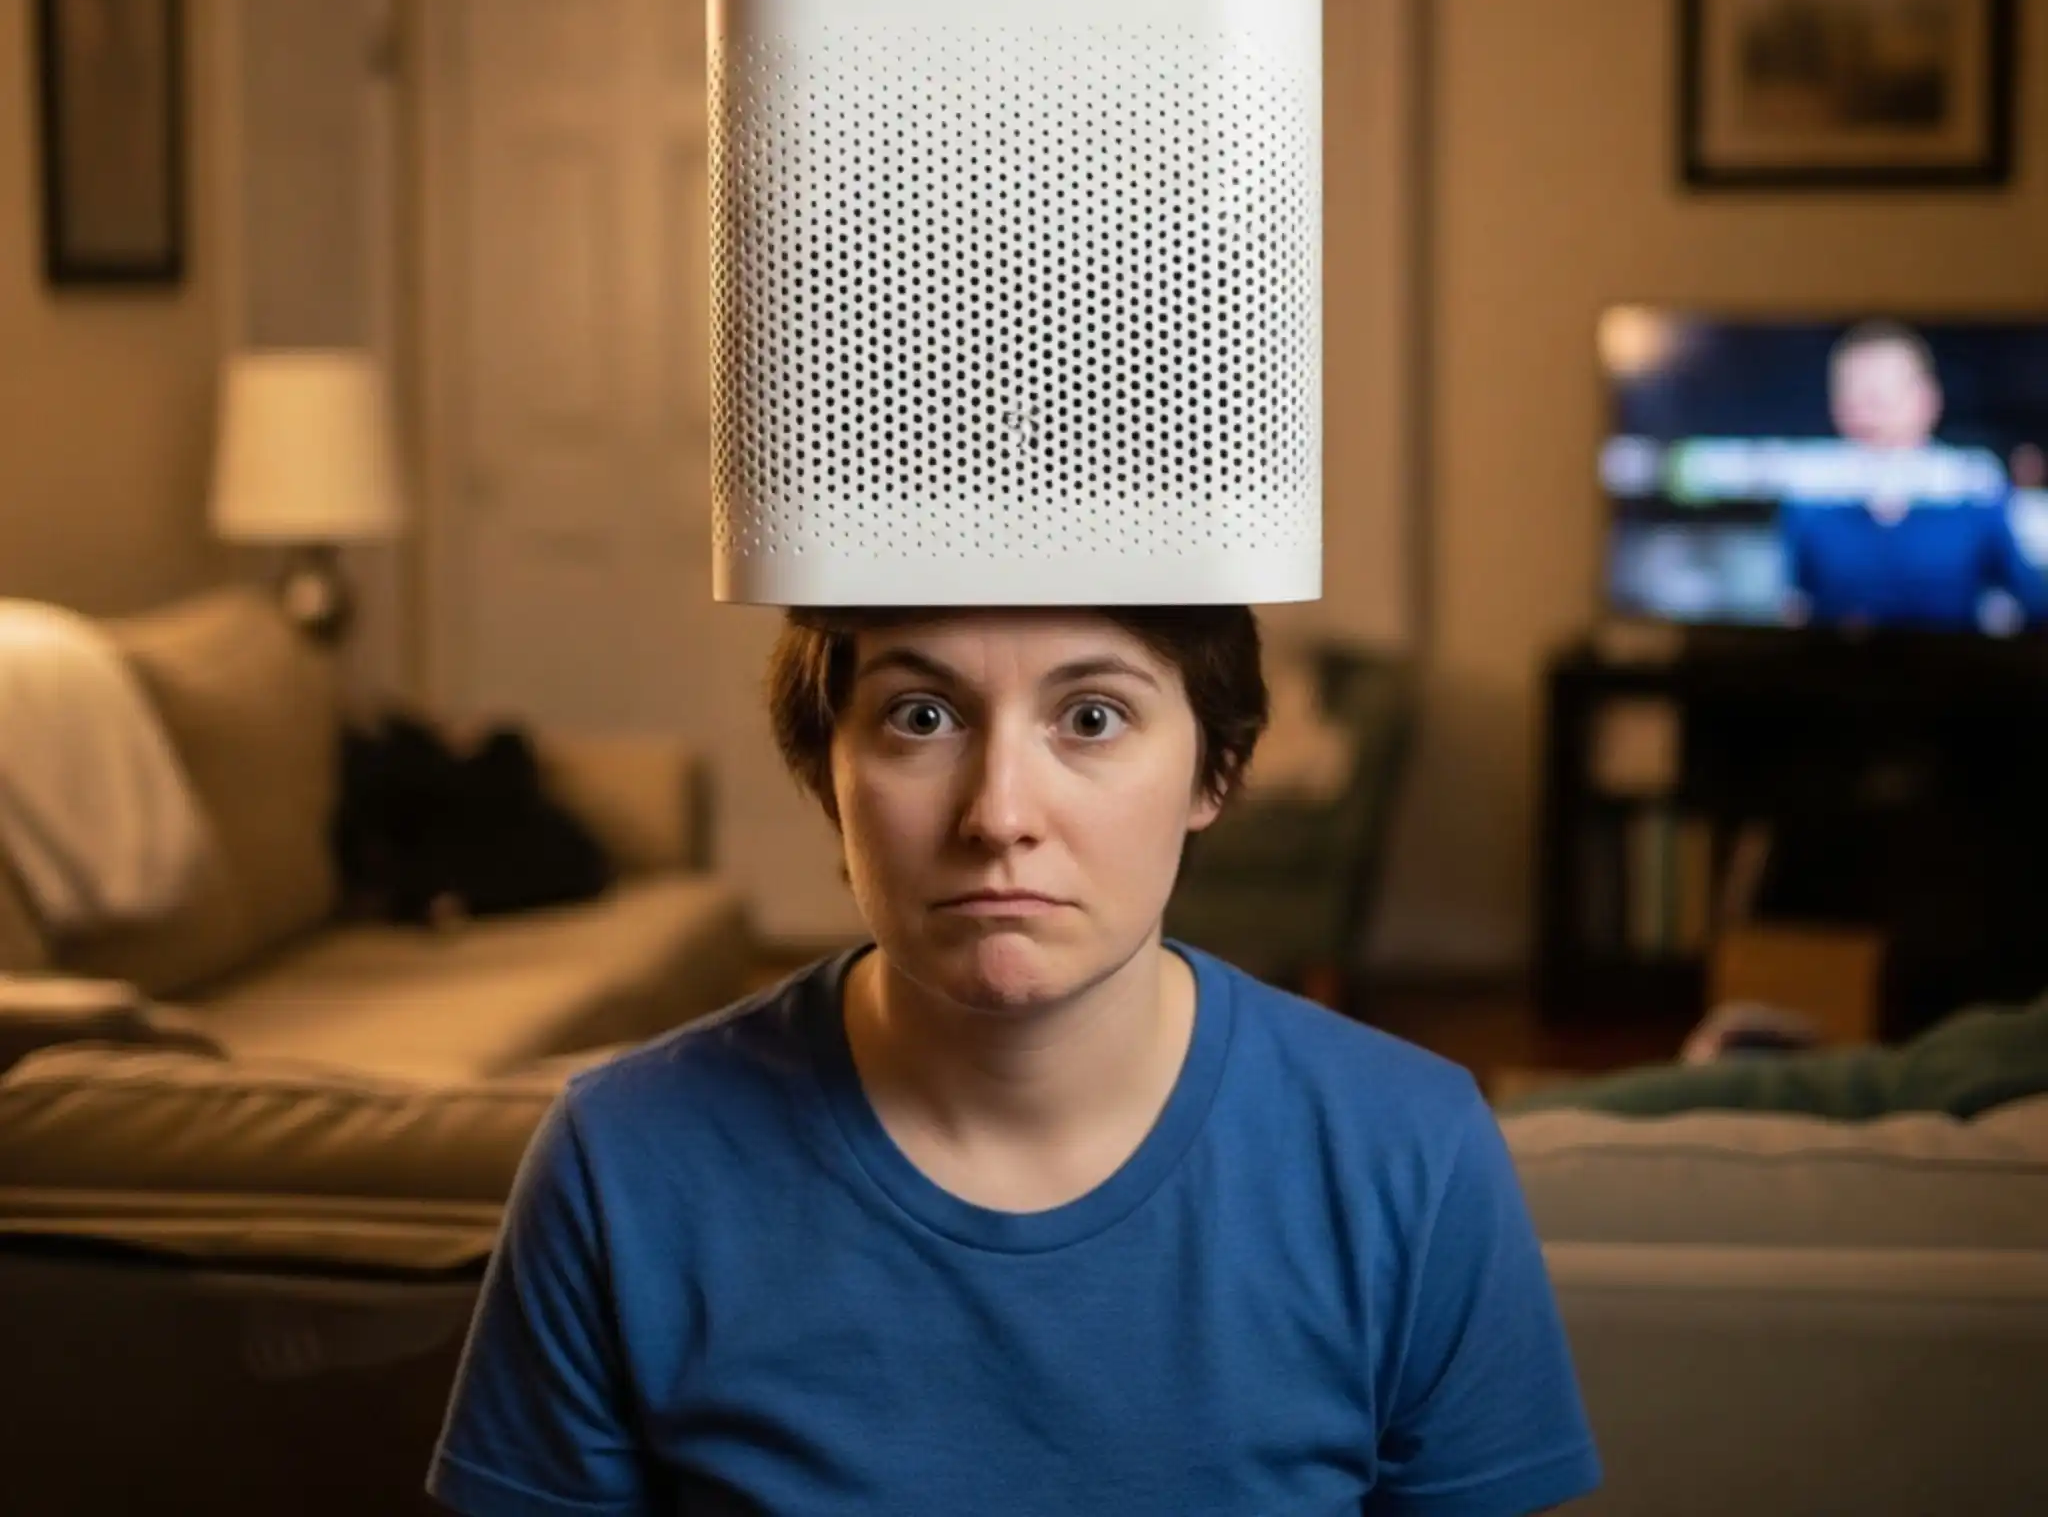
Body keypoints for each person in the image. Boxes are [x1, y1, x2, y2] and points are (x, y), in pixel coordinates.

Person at [427, 605, 1602, 1515]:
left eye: (1090, 716)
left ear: (1215, 771)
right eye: (920, 717)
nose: (997, 812)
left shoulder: (1408, 1152)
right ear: (822, 770)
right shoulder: (622, 1164)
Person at [1780, 320, 2048, 632]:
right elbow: (1791, 606)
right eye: (1854, 396)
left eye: (1882, 396)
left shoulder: (1973, 484)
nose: (1868, 412)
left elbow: (2030, 602)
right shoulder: (1811, 493)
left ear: (1927, 398)